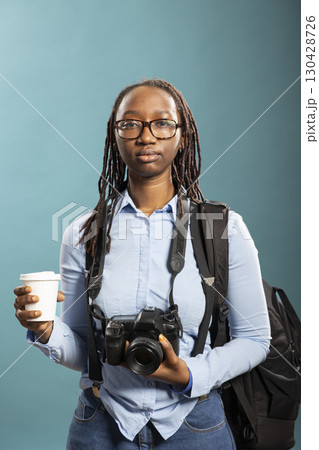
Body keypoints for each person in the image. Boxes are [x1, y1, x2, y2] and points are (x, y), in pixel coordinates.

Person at [14, 78, 271, 449]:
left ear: (181, 135)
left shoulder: (222, 229)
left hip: (195, 425)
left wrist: (189, 373)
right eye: (130, 123)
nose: (146, 136)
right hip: (101, 426)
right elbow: (82, 350)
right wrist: (43, 329)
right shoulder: (82, 233)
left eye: (162, 123)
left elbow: (256, 339)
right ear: (114, 136)